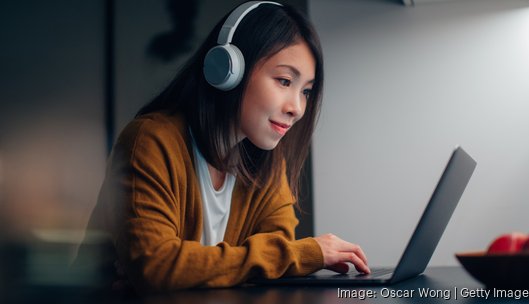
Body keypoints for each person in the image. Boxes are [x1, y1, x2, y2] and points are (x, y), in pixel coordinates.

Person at [75, 1, 369, 294]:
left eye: (305, 91)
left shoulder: (267, 161)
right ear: (228, 69)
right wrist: (299, 254)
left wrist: (188, 269)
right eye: (284, 81)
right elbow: (157, 266)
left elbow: (273, 262)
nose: (298, 108)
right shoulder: (151, 142)